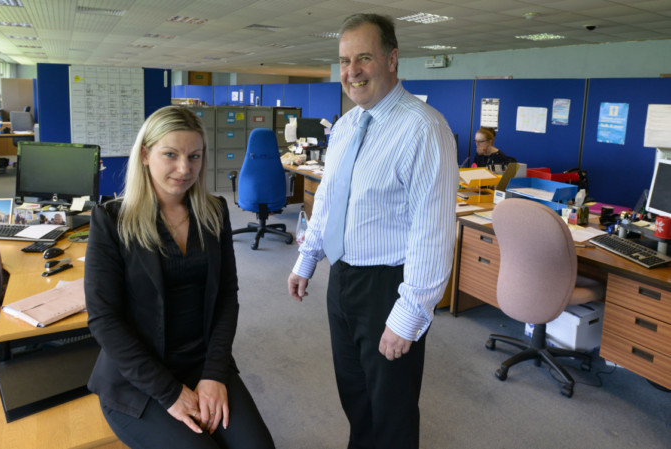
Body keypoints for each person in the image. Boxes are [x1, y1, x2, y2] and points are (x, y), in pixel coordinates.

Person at [287, 13, 457, 449]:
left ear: (393, 59)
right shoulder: (345, 126)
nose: (351, 71)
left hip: (388, 285)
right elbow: (328, 199)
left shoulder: (423, 128)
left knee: (392, 408)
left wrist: (410, 314)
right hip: (342, 278)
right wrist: (308, 259)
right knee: (356, 397)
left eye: (364, 58)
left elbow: (432, 231)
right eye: (344, 60)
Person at [85, 106, 275, 449]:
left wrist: (215, 374)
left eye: (195, 156)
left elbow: (226, 298)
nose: (185, 168)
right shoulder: (111, 221)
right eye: (170, 155)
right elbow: (104, 320)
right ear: (145, 154)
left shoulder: (214, 211)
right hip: (139, 379)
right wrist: (170, 394)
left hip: (202, 362)